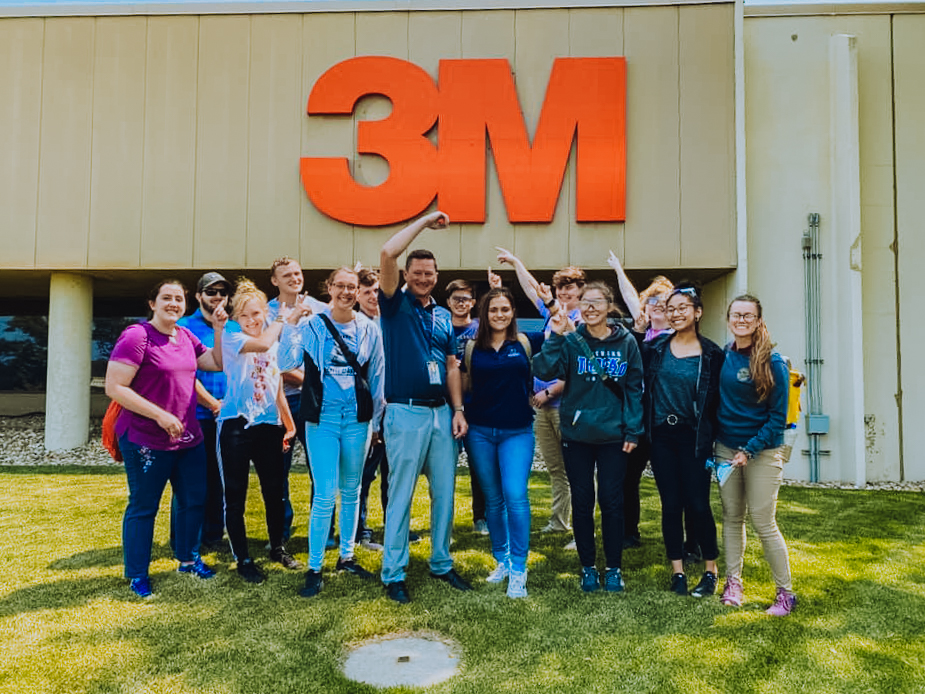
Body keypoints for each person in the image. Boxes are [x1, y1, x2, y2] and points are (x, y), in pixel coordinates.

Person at [105, 279, 225, 598]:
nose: (173, 303)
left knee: (192, 501)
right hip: (145, 437)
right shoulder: (137, 336)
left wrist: (218, 327)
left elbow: (215, 363)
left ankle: (187, 559)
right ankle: (137, 574)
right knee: (144, 506)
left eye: (178, 298)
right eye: (166, 298)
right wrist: (159, 414)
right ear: (152, 303)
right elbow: (115, 387)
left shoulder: (185, 336)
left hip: (188, 437)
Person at [378, 211, 471, 604]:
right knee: (401, 494)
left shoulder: (442, 315)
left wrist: (459, 409)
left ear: (436, 275)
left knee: (445, 494)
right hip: (406, 411)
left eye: (429, 273)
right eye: (416, 271)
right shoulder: (394, 305)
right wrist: (426, 221)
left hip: (440, 413)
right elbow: (387, 251)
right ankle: (394, 572)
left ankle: (441, 561)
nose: (423, 277)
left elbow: (451, 365)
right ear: (406, 274)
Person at [279, 267, 385, 597]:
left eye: (351, 287)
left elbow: (378, 376)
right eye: (340, 286)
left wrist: (378, 422)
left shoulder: (369, 329)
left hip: (357, 420)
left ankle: (347, 555)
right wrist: (291, 323)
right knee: (325, 493)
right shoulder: (313, 326)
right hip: (322, 419)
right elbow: (285, 361)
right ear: (329, 288)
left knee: (352, 489)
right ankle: (314, 566)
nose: (346, 292)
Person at [533, 281, 644, 593]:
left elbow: (635, 387)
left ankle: (613, 568)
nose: (591, 308)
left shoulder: (626, 343)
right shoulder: (571, 340)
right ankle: (587, 568)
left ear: (610, 307)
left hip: (614, 436)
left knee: (611, 501)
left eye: (597, 302)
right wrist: (555, 334)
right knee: (583, 502)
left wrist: (633, 429)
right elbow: (543, 367)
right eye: (586, 302)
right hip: (577, 434)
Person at [714, 294, 796, 616]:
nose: (741, 320)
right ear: (729, 318)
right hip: (725, 449)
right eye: (736, 314)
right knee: (732, 517)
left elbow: (777, 418)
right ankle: (733, 583)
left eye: (748, 315)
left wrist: (749, 450)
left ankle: (785, 594)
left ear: (758, 320)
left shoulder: (772, 362)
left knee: (763, 521)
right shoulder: (724, 357)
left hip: (762, 451)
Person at [642, 284, 724, 597]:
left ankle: (710, 571)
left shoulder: (713, 354)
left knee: (699, 505)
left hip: (695, 439)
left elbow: (721, 402)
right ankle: (677, 572)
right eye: (671, 308)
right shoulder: (655, 350)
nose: (676, 313)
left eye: (683, 308)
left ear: (698, 312)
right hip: (662, 436)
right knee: (671, 505)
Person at [217, 278, 300, 584]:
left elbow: (276, 385)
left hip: (269, 425)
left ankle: (278, 547)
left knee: (275, 491)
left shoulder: (273, 341)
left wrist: (288, 424)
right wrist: (281, 318)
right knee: (236, 494)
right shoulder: (232, 337)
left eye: (256, 313)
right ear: (237, 319)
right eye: (245, 315)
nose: (252, 320)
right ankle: (243, 557)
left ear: (264, 311)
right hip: (237, 425)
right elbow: (263, 343)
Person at [461, 287, 543, 598]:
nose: (499, 315)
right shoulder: (471, 347)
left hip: (517, 431)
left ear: (512, 313)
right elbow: (464, 383)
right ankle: (502, 559)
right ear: (484, 314)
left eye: (505, 309)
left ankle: (519, 568)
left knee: (516, 495)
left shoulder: (526, 342)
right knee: (493, 500)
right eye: (493, 309)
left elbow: (559, 331)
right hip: (480, 431)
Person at [496, 248, 583, 542]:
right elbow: (532, 289)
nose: (564, 293)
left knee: (579, 471)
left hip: (567, 406)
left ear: (581, 291)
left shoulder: (582, 321)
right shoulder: (550, 315)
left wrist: (548, 391)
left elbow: (577, 367)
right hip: (543, 408)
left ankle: (582, 529)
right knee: (557, 469)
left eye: (570, 288)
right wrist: (517, 262)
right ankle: (560, 522)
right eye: (560, 289)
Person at [267, 256, 329, 545]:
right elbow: (272, 362)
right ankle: (279, 533)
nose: (294, 278)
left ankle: (324, 533)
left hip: (317, 401)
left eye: (297, 273)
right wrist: (308, 379)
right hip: (282, 402)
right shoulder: (267, 313)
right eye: (286, 274)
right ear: (274, 281)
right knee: (278, 470)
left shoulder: (321, 309)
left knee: (322, 467)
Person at [175, 272, 232, 553]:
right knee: (193, 481)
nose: (217, 297)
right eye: (211, 292)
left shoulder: (231, 327)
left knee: (220, 478)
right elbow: (186, 373)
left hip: (228, 416)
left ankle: (213, 536)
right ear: (198, 296)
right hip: (196, 414)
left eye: (222, 292)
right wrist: (211, 403)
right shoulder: (184, 327)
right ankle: (187, 541)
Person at [446, 278, 488, 535]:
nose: (461, 303)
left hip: (476, 402)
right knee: (444, 465)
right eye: (456, 299)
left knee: (479, 464)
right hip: (447, 404)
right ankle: (444, 519)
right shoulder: (440, 327)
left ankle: (480, 517)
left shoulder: (481, 329)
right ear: (448, 302)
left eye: (466, 299)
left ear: (473, 303)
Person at [354, 266, 388, 551]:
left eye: (376, 290)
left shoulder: (390, 320)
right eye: (367, 292)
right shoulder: (355, 326)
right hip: (367, 410)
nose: (373, 296)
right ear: (357, 295)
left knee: (394, 473)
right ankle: (359, 533)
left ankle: (393, 527)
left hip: (395, 408)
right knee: (364, 475)